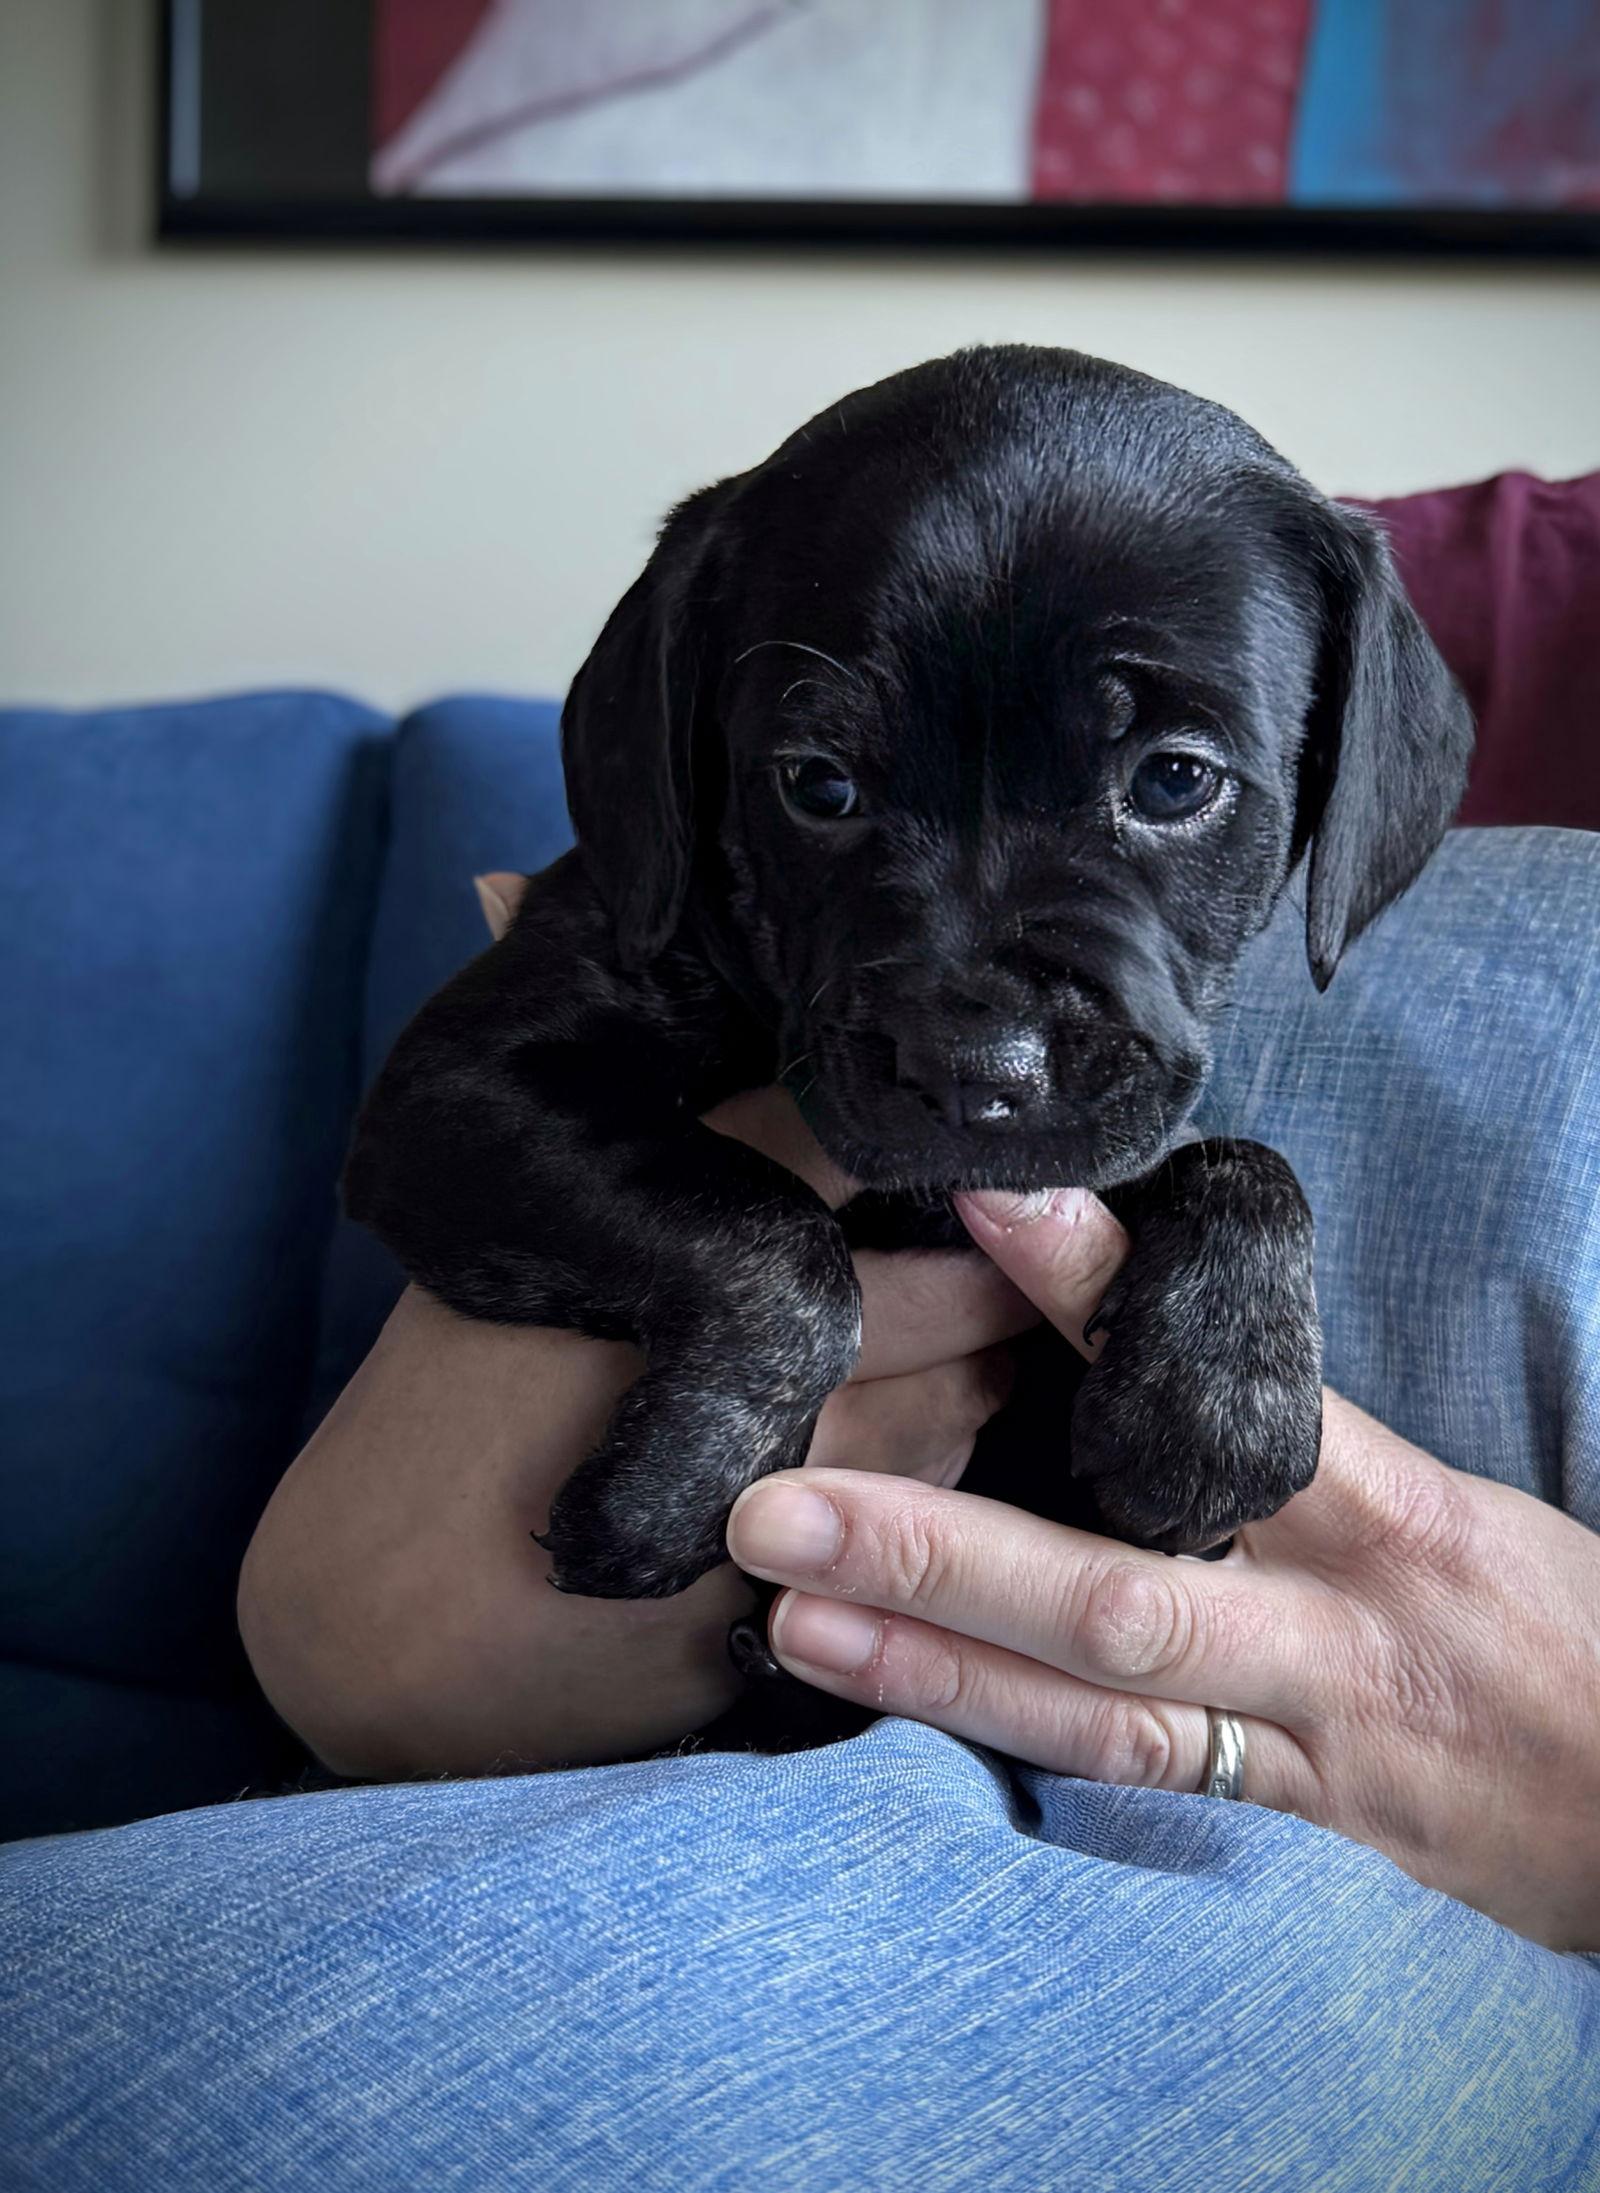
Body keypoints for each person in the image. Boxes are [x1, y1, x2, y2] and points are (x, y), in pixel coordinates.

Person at [4, 828, 1599, 2191]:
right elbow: (449, 1144)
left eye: (1170, 787)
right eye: (828, 786)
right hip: (651, 1701)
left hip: (1308, 1809)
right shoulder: (699, 897)